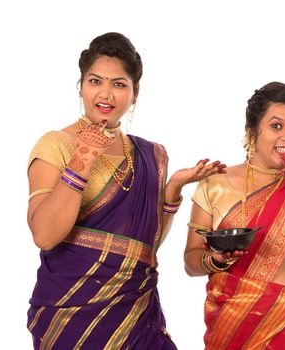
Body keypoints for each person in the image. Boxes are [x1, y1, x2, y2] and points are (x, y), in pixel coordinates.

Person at [26, 32, 226, 349]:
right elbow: (45, 235)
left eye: (119, 84)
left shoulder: (151, 155)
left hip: (136, 315)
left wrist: (172, 189)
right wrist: (82, 160)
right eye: (95, 81)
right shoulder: (56, 144)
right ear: (81, 87)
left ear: (134, 93)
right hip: (72, 318)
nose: (105, 93)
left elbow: (145, 249)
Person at [184, 82, 285, 349]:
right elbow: (191, 263)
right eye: (276, 126)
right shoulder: (215, 184)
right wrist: (214, 260)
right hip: (234, 325)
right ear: (252, 132)